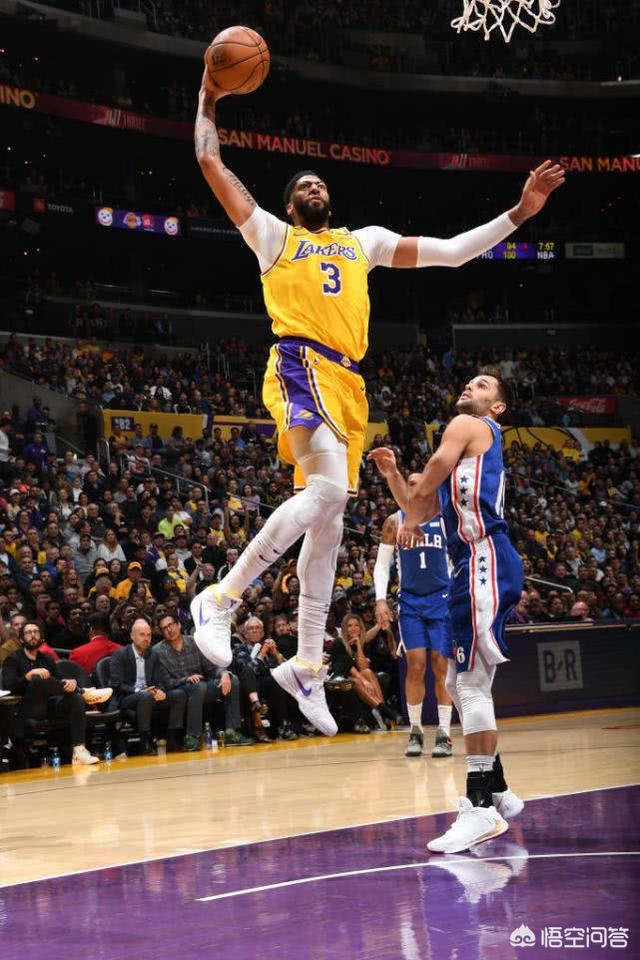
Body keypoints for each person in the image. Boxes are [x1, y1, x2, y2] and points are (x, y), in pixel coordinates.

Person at [192, 63, 564, 738]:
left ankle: (307, 665)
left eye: (320, 183)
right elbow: (211, 164)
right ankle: (220, 597)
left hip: (348, 385)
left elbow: (452, 253)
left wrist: (519, 214)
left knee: (329, 524)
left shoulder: (361, 244)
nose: (313, 187)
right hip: (300, 363)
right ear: (290, 204)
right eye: (302, 185)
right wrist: (208, 99)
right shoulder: (274, 237)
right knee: (327, 495)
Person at [369, 372, 525, 854]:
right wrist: (395, 480)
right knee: (461, 684)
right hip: (473, 563)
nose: (470, 387)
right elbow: (423, 505)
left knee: (469, 684)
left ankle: (479, 807)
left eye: (483, 385)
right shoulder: (471, 457)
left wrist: (409, 522)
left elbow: (431, 473)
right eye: (470, 383)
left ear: (497, 407)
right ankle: (497, 789)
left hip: (483, 557)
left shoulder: (467, 425)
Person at [372, 480, 454, 759]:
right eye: (412, 484)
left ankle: (444, 732)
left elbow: (455, 558)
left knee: (441, 665)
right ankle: (416, 730)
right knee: (415, 665)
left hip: (442, 600)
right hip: (411, 602)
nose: (418, 489)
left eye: (423, 484)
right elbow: (382, 565)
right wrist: (380, 599)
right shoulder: (394, 521)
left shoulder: (445, 519)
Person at [2, 621, 110, 766]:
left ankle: (79, 751)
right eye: (28, 632)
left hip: (50, 706)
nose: (33, 635)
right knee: (37, 679)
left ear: (41, 637)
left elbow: (59, 680)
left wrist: (70, 683)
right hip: (27, 709)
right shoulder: (13, 659)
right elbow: (9, 687)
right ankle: (84, 692)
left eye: (36, 632)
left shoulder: (46, 658)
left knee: (75, 698)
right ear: (21, 639)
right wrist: (27, 676)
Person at [154, 613, 252, 750]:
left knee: (232, 679)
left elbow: (211, 667)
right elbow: (166, 682)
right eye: (165, 628)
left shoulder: (195, 642)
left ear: (178, 625)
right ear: (162, 632)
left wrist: (223, 673)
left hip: (202, 688)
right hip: (179, 690)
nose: (169, 630)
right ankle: (192, 736)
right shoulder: (158, 651)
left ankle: (231, 732)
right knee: (198, 686)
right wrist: (186, 679)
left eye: (171, 625)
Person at [109, 617, 186, 755]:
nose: (146, 639)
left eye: (149, 635)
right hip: (127, 697)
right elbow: (117, 685)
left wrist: (160, 690)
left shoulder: (153, 655)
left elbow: (160, 680)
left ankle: (172, 739)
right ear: (132, 636)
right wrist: (140, 690)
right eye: (142, 635)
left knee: (178, 695)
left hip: (150, 694)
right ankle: (145, 743)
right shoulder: (120, 655)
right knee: (145, 696)